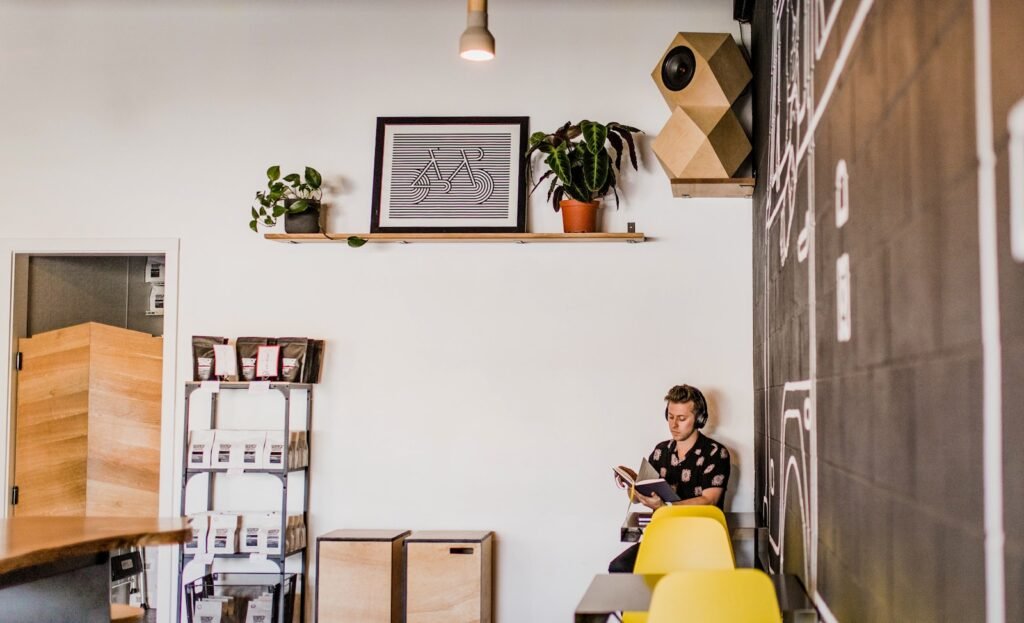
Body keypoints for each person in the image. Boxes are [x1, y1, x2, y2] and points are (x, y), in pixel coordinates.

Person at [608, 384, 731, 573]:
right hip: (663, 537)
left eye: (681, 418)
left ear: (699, 419)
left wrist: (666, 508)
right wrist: (632, 483)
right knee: (619, 568)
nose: (674, 425)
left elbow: (710, 500)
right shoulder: (660, 452)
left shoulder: (715, 453)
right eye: (671, 417)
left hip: (700, 542)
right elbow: (636, 497)